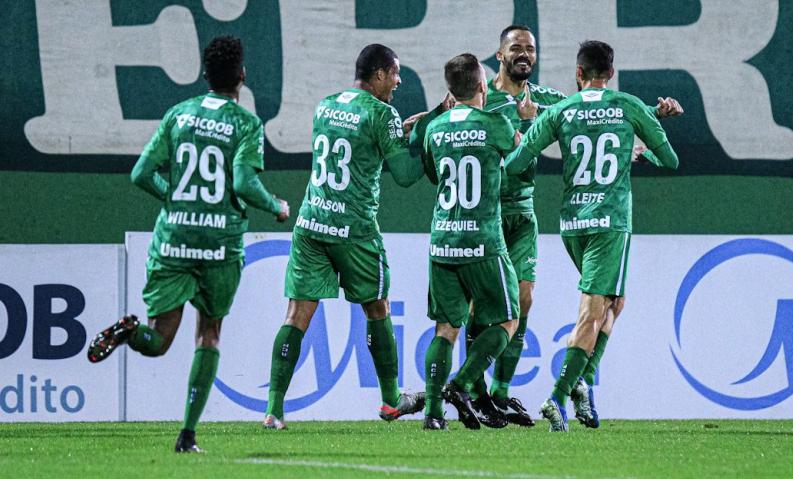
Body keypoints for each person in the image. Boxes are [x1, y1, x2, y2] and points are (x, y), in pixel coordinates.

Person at [469, 25, 683, 428]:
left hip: (540, 214)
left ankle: (504, 391)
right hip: (489, 213)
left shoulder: (552, 102)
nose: (525, 54)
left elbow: (591, 113)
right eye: (517, 47)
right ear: (498, 54)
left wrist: (651, 115)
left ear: (578, 73)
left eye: (531, 48)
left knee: (534, 300)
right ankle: (512, 391)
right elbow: (610, 112)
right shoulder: (482, 98)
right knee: (494, 306)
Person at [87, 36, 289, 452]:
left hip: (174, 239)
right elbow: (243, 183)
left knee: (158, 341)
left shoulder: (179, 115)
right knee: (209, 335)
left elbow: (141, 173)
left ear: (204, 75)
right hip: (218, 243)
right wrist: (276, 205)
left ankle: (130, 332)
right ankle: (187, 434)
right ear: (242, 77)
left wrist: (173, 196)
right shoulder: (246, 124)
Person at [263, 44, 427, 430]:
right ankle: (390, 400)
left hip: (312, 223)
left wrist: (403, 129)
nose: (399, 81)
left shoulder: (328, 104)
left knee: (296, 315)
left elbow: (357, 142)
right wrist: (425, 142)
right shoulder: (381, 112)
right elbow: (403, 174)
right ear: (379, 74)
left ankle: (274, 410)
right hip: (353, 229)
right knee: (377, 309)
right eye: (395, 73)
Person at [420, 53, 525, 430]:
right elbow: (522, 159)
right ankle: (462, 384)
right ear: (483, 85)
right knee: (509, 319)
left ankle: (433, 413)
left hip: (443, 242)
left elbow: (434, 175)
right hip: (482, 241)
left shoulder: (435, 129)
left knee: (446, 328)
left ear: (450, 91)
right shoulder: (495, 122)